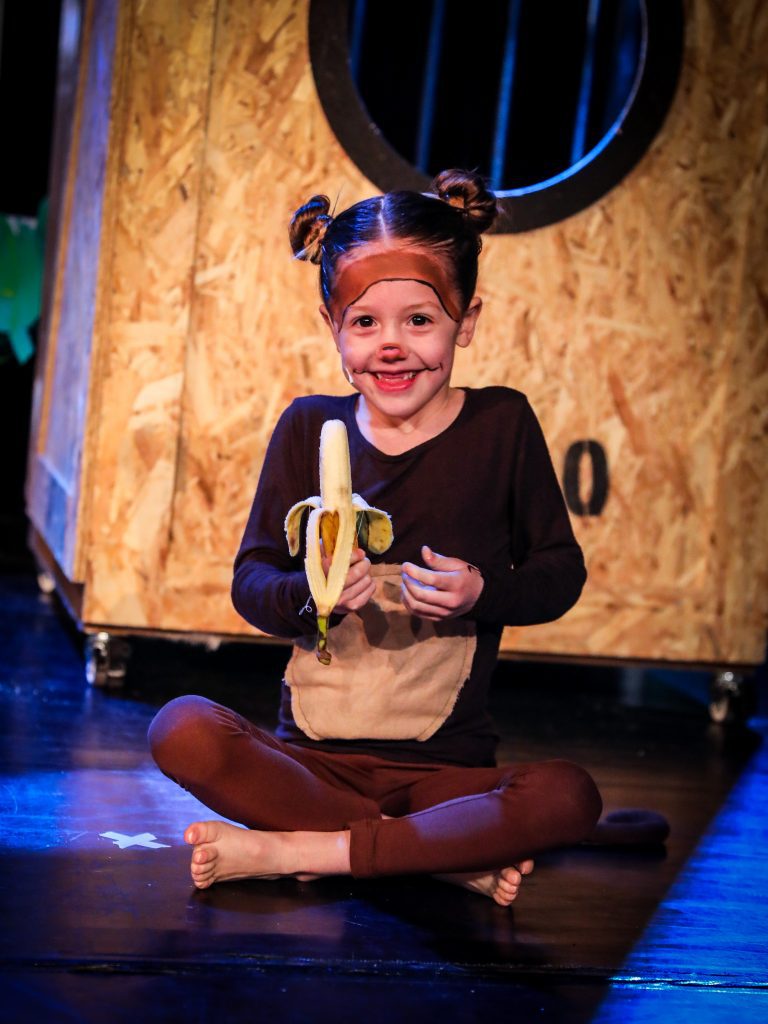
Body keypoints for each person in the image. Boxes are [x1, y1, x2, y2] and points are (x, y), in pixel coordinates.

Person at [148, 169, 602, 907]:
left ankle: (304, 851)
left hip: (444, 775)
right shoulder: (306, 427)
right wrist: (308, 594)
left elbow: (560, 572)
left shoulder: (502, 426)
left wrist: (485, 590)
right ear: (333, 326)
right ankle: (434, 860)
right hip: (310, 768)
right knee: (182, 727)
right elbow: (252, 579)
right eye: (365, 323)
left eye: (419, 321)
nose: (391, 346)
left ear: (468, 320)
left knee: (568, 795)